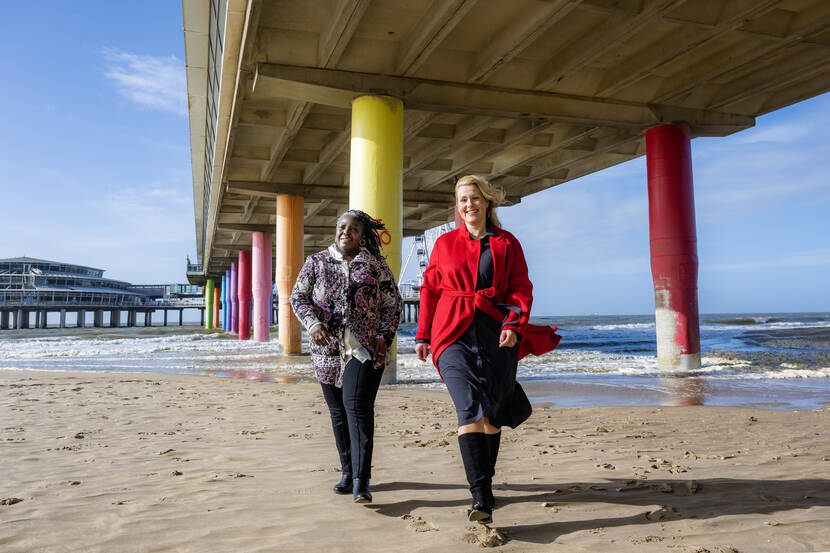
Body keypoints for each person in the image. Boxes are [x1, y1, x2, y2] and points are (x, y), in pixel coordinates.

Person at [414, 175, 560, 525]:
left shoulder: (507, 242)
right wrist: (422, 335)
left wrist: (513, 325)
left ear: (487, 202)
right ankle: (480, 495)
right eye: (463, 199)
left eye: (475, 198)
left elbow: (521, 288)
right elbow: (430, 289)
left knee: (492, 414)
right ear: (457, 205)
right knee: (469, 407)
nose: (469, 205)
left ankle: (486, 483)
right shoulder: (445, 244)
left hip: (496, 332)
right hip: (451, 333)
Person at [290, 210, 403, 504]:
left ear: (362, 235)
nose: (346, 232)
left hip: (366, 350)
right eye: (342, 226)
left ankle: (361, 481)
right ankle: (347, 471)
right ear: (335, 229)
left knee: (357, 407)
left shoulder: (375, 264)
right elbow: (297, 297)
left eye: (353, 229)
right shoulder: (316, 262)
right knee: (338, 413)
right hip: (326, 351)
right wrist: (313, 324)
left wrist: (383, 337)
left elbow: (393, 304)